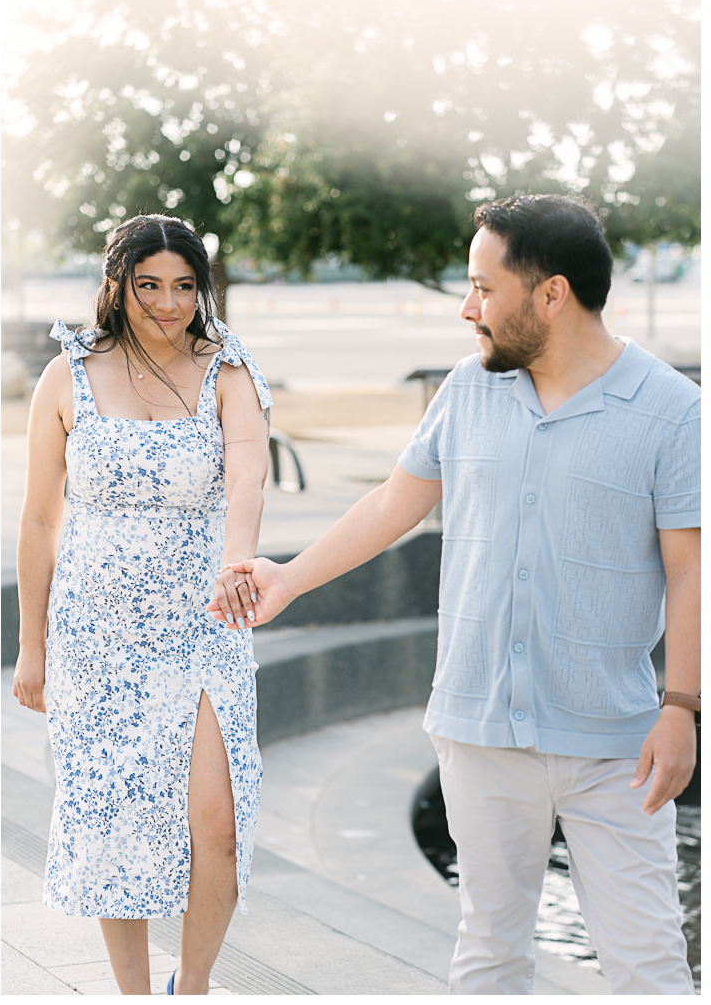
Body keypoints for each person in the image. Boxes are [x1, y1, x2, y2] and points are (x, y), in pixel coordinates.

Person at [208, 195, 699, 995]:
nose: (467, 308)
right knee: (490, 954)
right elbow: (393, 504)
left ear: (552, 293)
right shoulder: (469, 391)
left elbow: (689, 571)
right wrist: (288, 577)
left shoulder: (673, 412)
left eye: (482, 286)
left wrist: (681, 706)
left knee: (648, 967)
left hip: (615, 742)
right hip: (476, 728)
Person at [13, 214, 272, 996]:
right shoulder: (66, 375)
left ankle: (188, 989)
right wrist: (32, 647)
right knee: (112, 826)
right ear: (117, 284)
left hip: (202, 627)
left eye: (185, 287)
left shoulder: (228, 370)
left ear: (204, 289)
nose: (168, 304)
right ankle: (132, 994)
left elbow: (250, 478)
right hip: (95, 635)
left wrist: (238, 562)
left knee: (216, 827)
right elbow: (36, 519)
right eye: (149, 285)